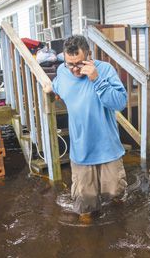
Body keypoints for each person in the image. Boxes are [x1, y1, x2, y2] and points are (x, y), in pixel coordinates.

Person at [51, 35, 128, 218]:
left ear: (89, 55)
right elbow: (58, 85)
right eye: (70, 64)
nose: (75, 70)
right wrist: (51, 88)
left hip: (108, 149)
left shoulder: (105, 70)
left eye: (79, 63)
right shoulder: (63, 71)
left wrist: (97, 79)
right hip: (81, 151)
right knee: (85, 208)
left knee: (117, 197)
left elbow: (120, 103)